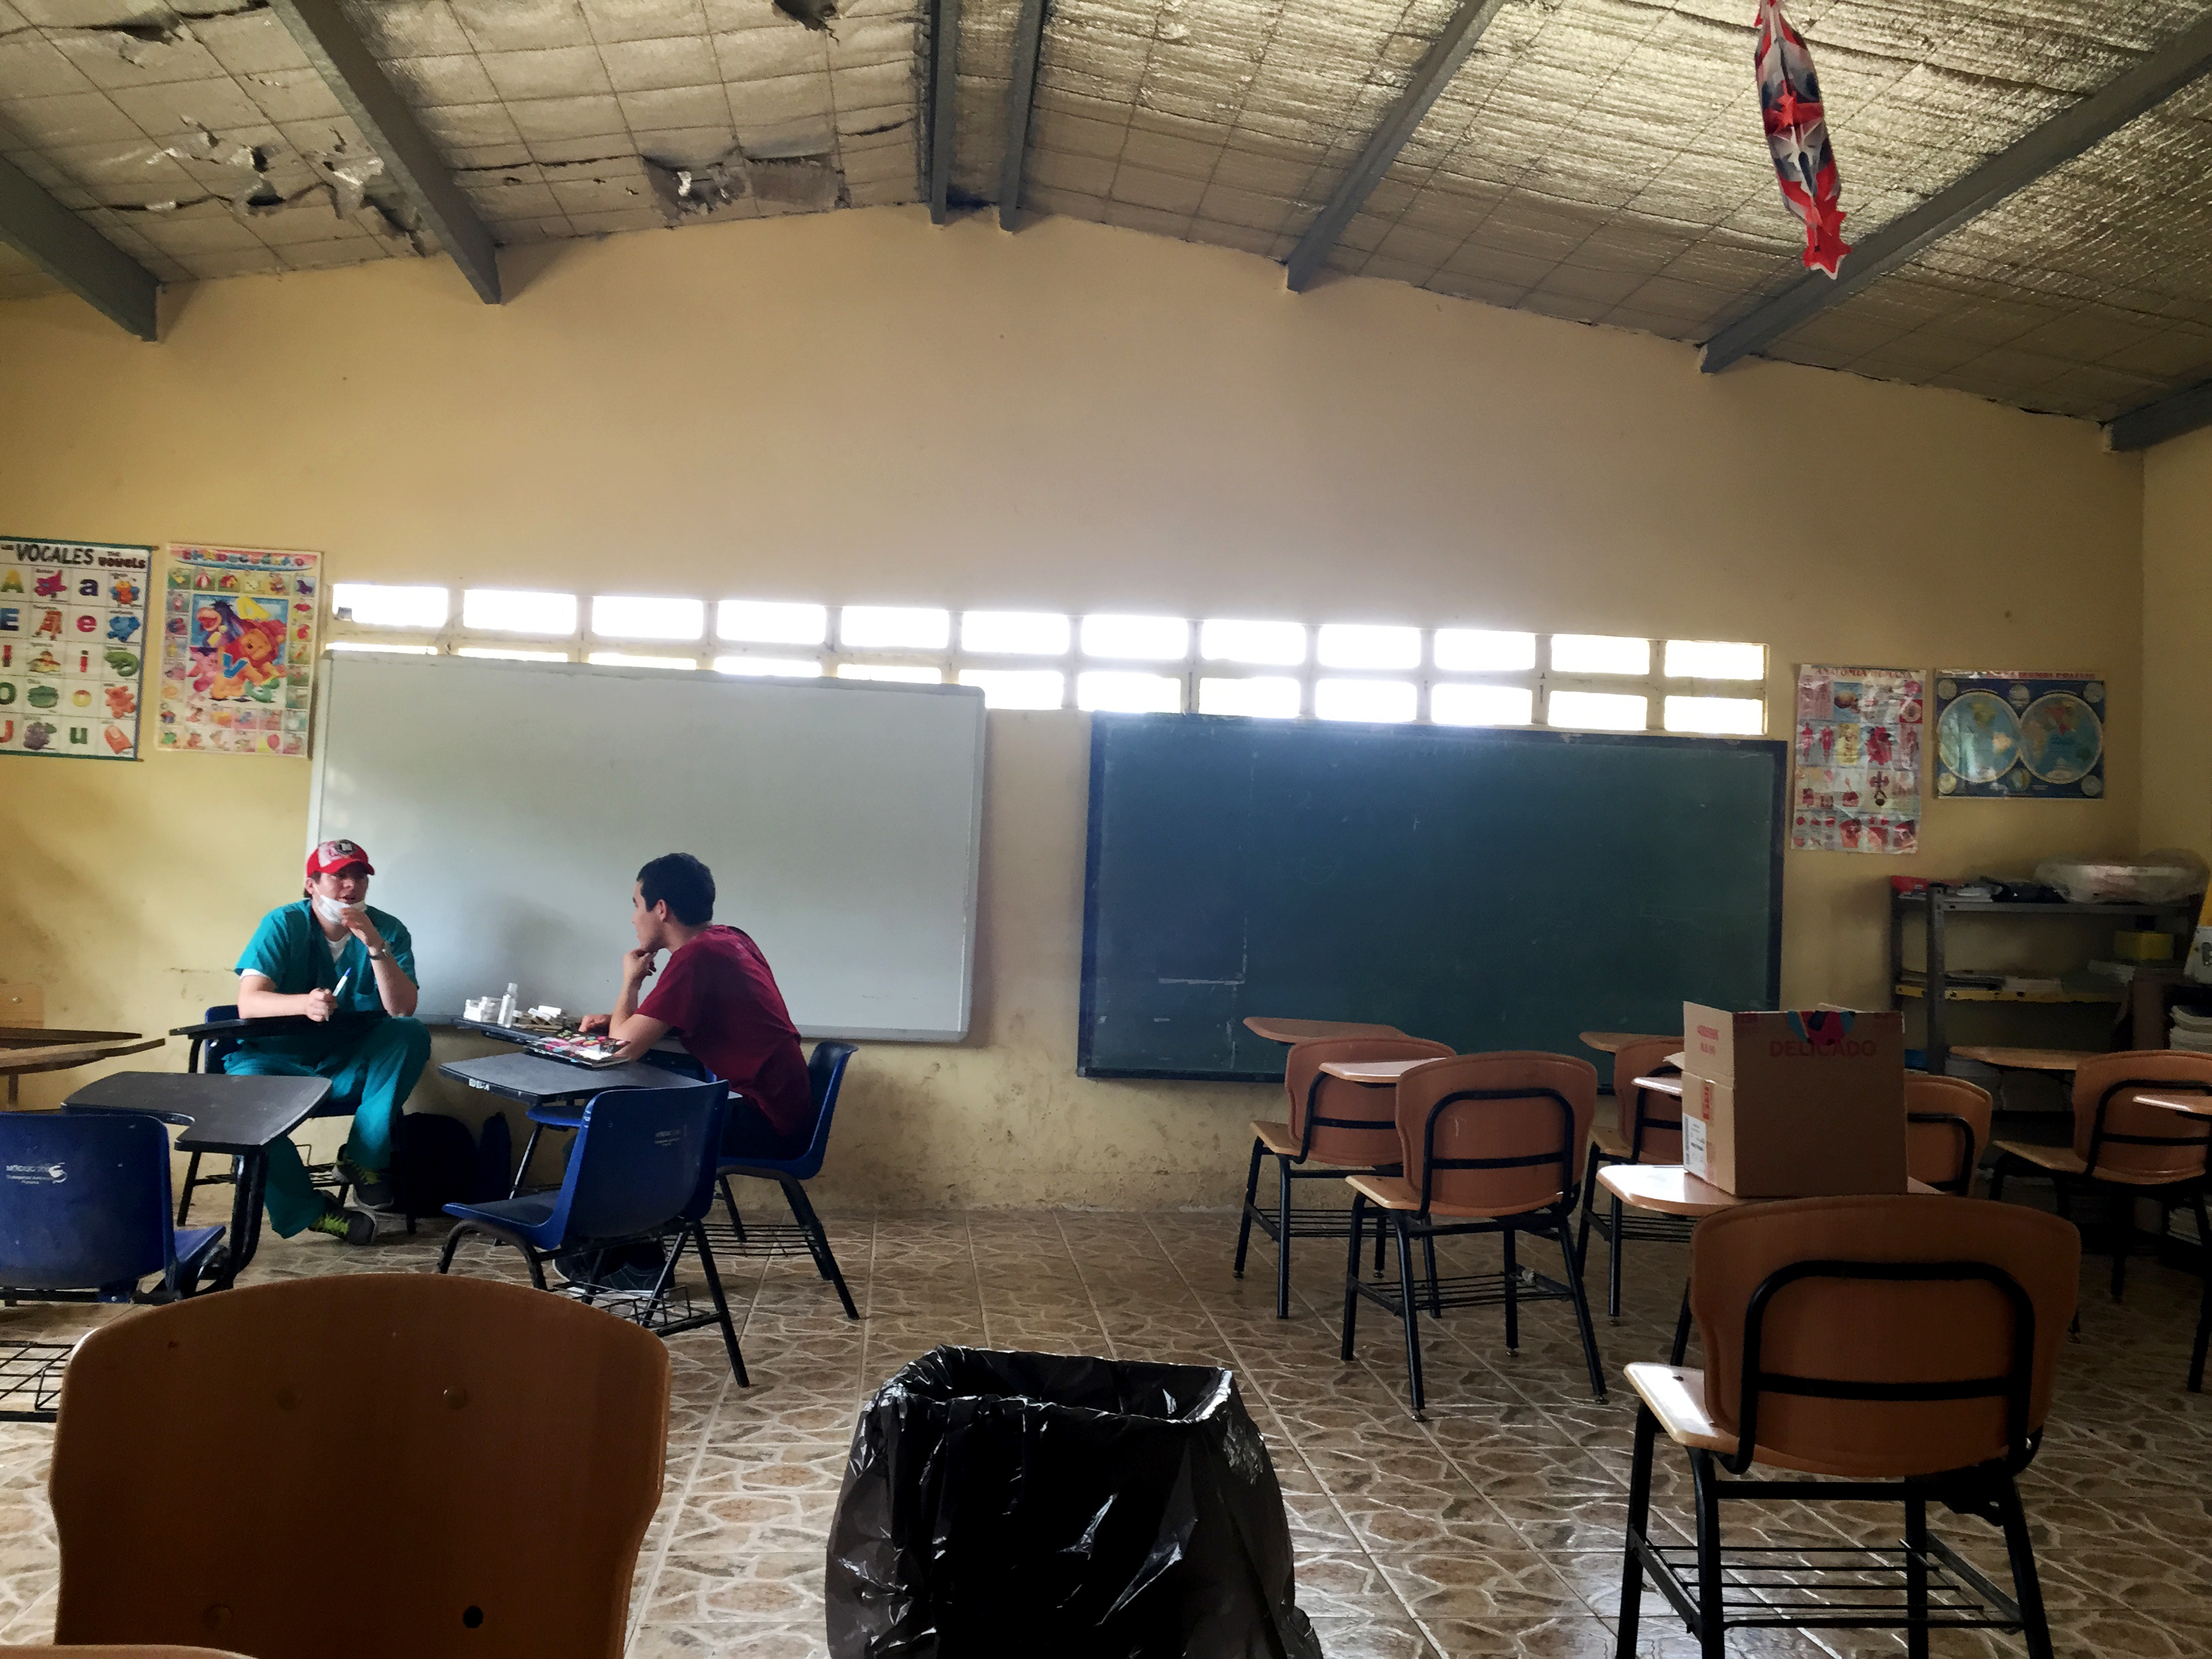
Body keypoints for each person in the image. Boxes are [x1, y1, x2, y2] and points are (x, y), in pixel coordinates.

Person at [223, 838, 430, 1245]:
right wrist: (304, 1003)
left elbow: (402, 1008)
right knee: (245, 1106)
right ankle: (311, 1211)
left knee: (409, 1033)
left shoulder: (386, 929)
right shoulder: (283, 924)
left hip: (346, 1064)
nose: (351, 886)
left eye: (360, 876)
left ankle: (362, 1158)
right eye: (338, 876)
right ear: (311, 884)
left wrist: (375, 947)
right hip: (275, 1062)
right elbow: (249, 1002)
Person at [581, 852, 812, 1159]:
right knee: (618, 1129)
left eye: (636, 905)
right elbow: (693, 1019)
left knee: (596, 1145)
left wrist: (631, 982)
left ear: (661, 909)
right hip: (784, 1113)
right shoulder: (729, 939)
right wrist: (624, 1021)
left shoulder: (696, 958)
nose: (634, 918)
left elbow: (620, 1049)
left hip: (764, 1122)